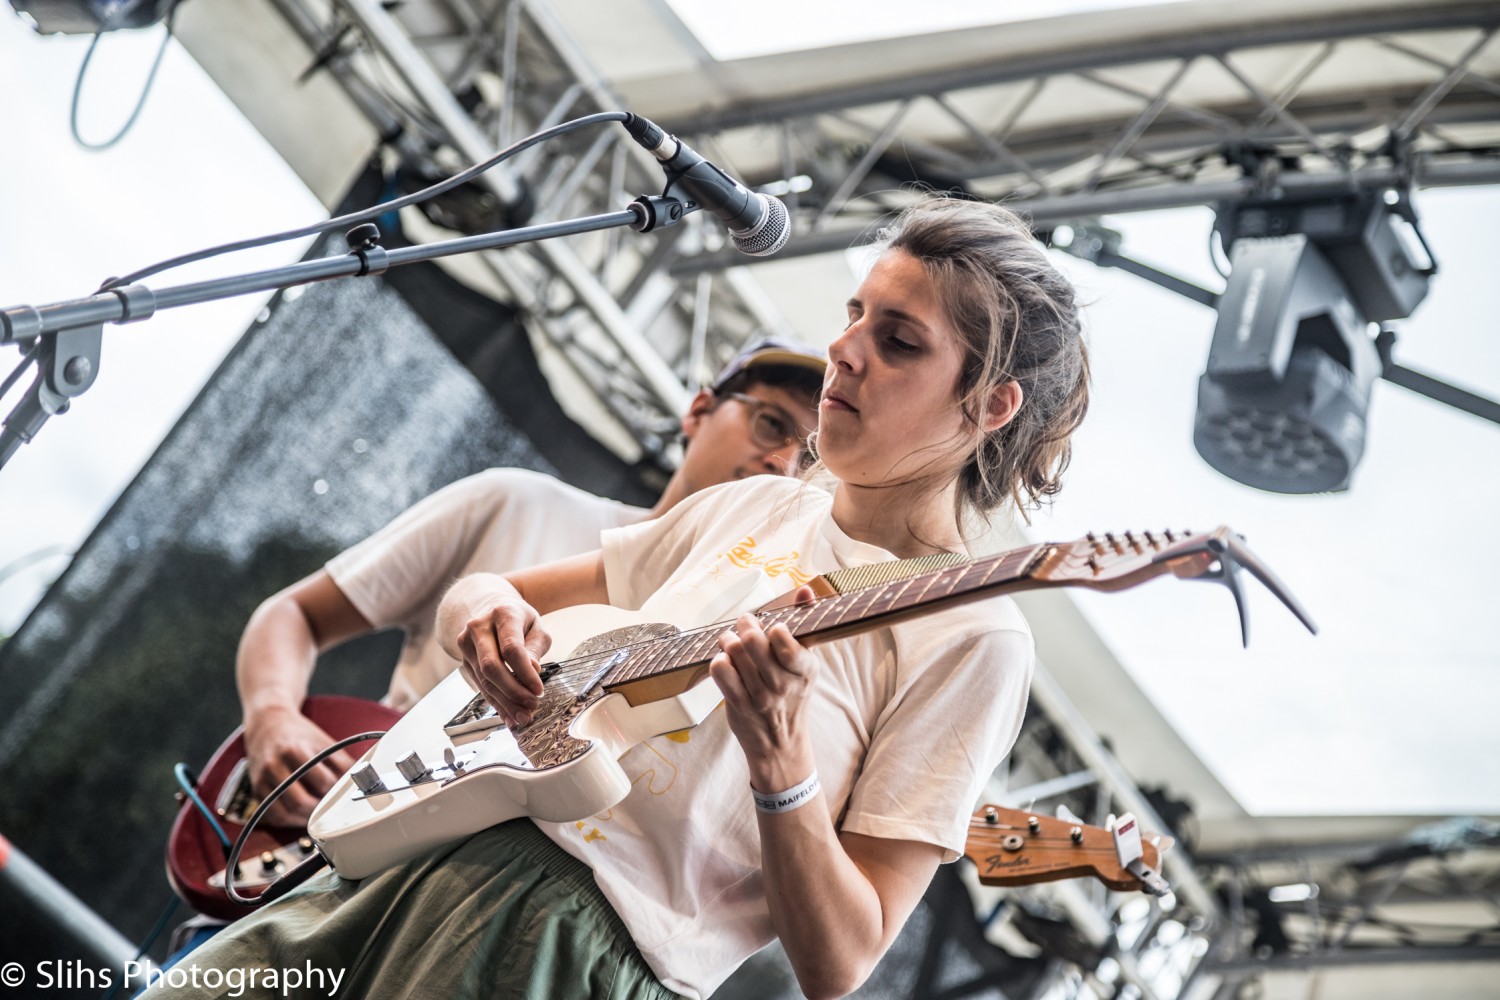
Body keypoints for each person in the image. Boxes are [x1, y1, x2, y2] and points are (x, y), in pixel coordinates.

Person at [157, 196, 1089, 1000]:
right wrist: (484, 619)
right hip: (403, 845)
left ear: (990, 407)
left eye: (899, 341)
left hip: (561, 950)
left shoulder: (975, 638)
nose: (843, 352)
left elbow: (842, 960)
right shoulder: (757, 504)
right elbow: (488, 593)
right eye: (856, 315)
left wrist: (781, 763)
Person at [236, 338, 825, 825]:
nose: (781, 461)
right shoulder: (517, 501)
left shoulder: (729, 637)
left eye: (808, 458)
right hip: (349, 812)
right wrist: (271, 715)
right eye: (770, 423)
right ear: (697, 412)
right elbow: (296, 615)